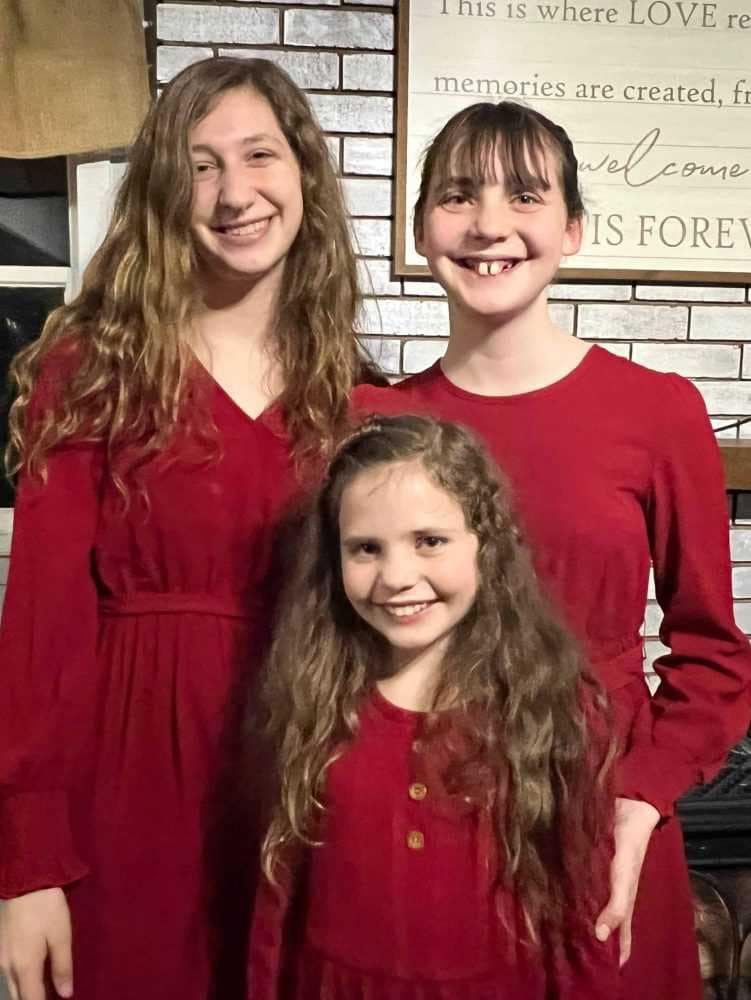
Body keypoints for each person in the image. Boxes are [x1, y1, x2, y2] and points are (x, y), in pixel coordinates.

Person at [353, 101, 751, 1000]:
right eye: (457, 196)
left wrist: (641, 797)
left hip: (595, 804)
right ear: (419, 229)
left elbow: (714, 654)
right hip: (420, 803)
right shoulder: (368, 422)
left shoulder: (657, 412)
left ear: (571, 228)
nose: (489, 224)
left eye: (523, 196)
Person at [0, 56, 371, 1000]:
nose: (234, 191)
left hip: (311, 780)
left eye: (258, 155)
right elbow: (40, 634)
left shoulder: (356, 393)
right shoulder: (90, 372)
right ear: (167, 190)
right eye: (201, 165)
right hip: (129, 780)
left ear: (304, 176)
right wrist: (30, 866)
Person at [247, 413, 619, 999]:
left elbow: (578, 921)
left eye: (429, 542)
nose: (397, 576)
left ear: (486, 546)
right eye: (366, 549)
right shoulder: (312, 696)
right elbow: (277, 901)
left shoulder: (547, 707)